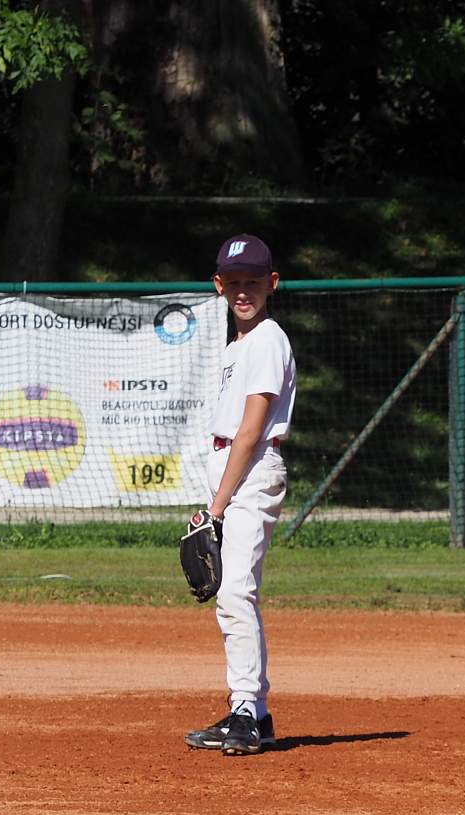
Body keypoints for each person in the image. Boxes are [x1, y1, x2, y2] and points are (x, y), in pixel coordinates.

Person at [183, 234, 296, 757]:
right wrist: (214, 501)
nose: (243, 291)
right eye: (234, 282)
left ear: (272, 283)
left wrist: (217, 507)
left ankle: (247, 711)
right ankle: (254, 713)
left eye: (253, 281)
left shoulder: (268, 339)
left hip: (251, 471)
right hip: (233, 470)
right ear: (219, 285)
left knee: (235, 593)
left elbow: (250, 430)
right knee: (232, 594)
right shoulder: (238, 347)